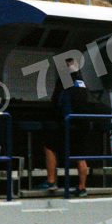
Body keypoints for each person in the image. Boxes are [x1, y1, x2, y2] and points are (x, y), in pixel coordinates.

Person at [39, 59, 90, 197]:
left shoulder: (64, 81)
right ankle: (82, 187)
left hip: (68, 124)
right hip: (83, 124)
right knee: (80, 155)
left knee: (49, 146)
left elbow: (57, 102)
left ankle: (51, 181)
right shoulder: (82, 83)